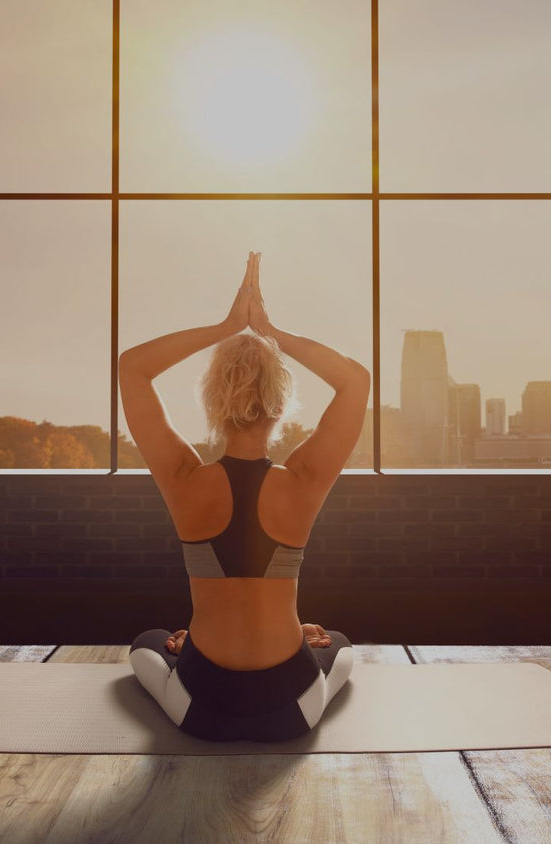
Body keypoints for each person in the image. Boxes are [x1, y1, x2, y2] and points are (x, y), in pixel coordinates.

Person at [123, 251, 366, 742]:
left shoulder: (182, 477)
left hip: (203, 709)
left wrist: (227, 326)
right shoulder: (303, 480)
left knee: (148, 644)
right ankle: (295, 637)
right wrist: (271, 332)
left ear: (212, 401)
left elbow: (132, 367)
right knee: (336, 643)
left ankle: (198, 645)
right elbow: (354, 381)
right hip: (289, 710)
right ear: (280, 405)